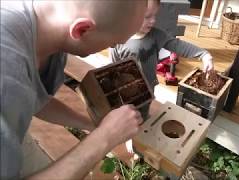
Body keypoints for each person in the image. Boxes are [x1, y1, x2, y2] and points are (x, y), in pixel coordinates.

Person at [0, 1, 147, 179]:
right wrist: (105, 136)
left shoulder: (48, 23)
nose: (114, 48)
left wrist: (90, 124)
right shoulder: (7, 76)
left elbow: (32, 99)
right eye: (113, 43)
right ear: (82, 30)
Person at [109, 0, 214, 119]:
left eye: (155, 15)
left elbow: (178, 45)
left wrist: (204, 55)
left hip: (147, 89)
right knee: (124, 115)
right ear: (129, 15)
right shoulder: (118, 38)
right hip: (125, 90)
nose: (153, 21)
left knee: (142, 115)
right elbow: (112, 68)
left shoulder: (157, 35)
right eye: (147, 17)